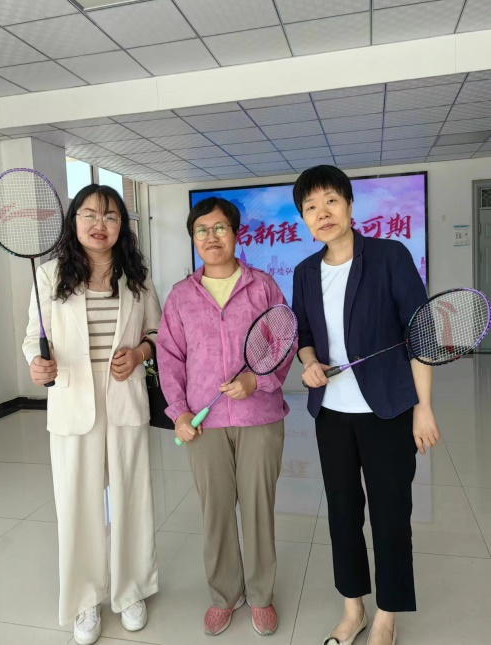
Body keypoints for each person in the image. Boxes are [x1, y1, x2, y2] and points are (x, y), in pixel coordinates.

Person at [291, 166, 440, 645]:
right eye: (311, 207)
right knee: (342, 514)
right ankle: (353, 608)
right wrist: (309, 363)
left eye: (331, 201)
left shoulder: (389, 256)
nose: (322, 213)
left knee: (391, 515)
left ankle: (387, 616)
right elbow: (304, 335)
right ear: (304, 219)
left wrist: (423, 407)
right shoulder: (304, 272)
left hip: (388, 412)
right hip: (332, 416)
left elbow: (420, 333)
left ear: (350, 206)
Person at [23, 184, 161, 645]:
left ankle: (131, 590)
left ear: (122, 225)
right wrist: (37, 363)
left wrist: (140, 353)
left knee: (132, 497)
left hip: (124, 398)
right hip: (73, 401)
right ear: (74, 221)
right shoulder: (49, 276)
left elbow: (158, 333)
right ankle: (85, 599)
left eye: (111, 216)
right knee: (77, 503)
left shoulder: (137, 277)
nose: (100, 225)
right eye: (90, 215)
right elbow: (33, 336)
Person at [157, 197, 297, 637]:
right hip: (204, 424)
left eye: (220, 228)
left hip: (259, 417)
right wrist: (179, 412)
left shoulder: (262, 287)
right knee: (215, 512)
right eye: (202, 230)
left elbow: (284, 341)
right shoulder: (181, 296)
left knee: (258, 510)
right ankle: (224, 595)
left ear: (236, 234)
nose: (211, 237)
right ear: (193, 238)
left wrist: (259, 380)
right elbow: (169, 356)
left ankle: (260, 595)